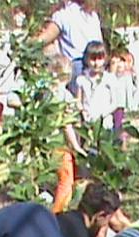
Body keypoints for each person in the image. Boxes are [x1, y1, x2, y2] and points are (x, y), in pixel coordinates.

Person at [49, 54, 89, 214]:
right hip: (60, 146)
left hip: (43, 143)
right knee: (66, 181)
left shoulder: (44, 92)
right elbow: (66, 125)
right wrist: (76, 147)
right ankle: (57, 214)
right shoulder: (64, 96)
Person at [38, 0, 103, 93]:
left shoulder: (63, 14)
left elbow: (43, 39)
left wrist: (24, 46)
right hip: (96, 65)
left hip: (77, 68)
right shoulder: (92, 14)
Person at [75, 41, 119, 130]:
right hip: (88, 122)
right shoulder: (82, 79)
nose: (96, 63)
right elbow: (78, 101)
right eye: (93, 59)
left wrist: (102, 115)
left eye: (99, 59)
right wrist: (83, 111)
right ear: (86, 59)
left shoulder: (109, 78)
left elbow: (115, 102)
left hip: (105, 123)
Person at [109, 49, 137, 146]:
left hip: (122, 104)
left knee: (120, 124)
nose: (119, 64)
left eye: (122, 61)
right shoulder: (112, 77)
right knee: (115, 123)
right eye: (115, 62)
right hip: (114, 104)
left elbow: (133, 88)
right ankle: (117, 141)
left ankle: (121, 142)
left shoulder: (127, 76)